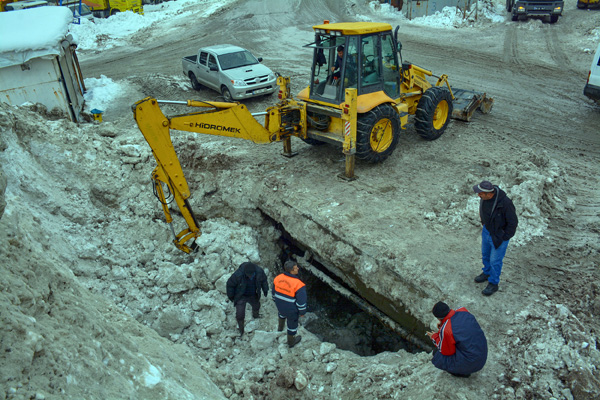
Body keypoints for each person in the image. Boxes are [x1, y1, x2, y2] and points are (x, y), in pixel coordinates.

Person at [473, 180, 518, 296]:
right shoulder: (484, 199)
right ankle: (487, 272)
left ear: (489, 193)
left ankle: (493, 283)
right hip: (487, 231)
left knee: (495, 261)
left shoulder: (505, 203)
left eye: (481, 193)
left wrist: (505, 236)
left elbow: (513, 223)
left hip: (499, 235)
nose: (478, 195)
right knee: (485, 255)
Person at [426, 301, 487, 377]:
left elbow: (447, 352)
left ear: (439, 318)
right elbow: (459, 327)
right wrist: (443, 324)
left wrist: (434, 337)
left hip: (472, 362)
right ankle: (465, 367)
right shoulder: (463, 310)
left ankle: (462, 373)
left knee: (437, 355)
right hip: (482, 354)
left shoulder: (446, 329)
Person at [226, 262, 269, 336]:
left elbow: (264, 281)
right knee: (240, 313)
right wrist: (231, 296)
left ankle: (256, 315)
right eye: (248, 275)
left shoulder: (259, 272)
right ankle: (241, 329)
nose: (249, 276)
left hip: (253, 294)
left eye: (251, 275)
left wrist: (265, 290)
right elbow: (230, 285)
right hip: (241, 295)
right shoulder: (238, 274)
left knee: (256, 306)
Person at [272, 260, 307, 348]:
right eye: (296, 268)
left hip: (279, 305)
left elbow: (273, 293)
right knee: (292, 323)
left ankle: (280, 329)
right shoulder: (299, 285)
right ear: (291, 271)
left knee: (281, 314)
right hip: (291, 310)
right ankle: (291, 342)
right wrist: (302, 312)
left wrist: (277, 301)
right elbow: (301, 302)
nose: (298, 268)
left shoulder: (278, 278)